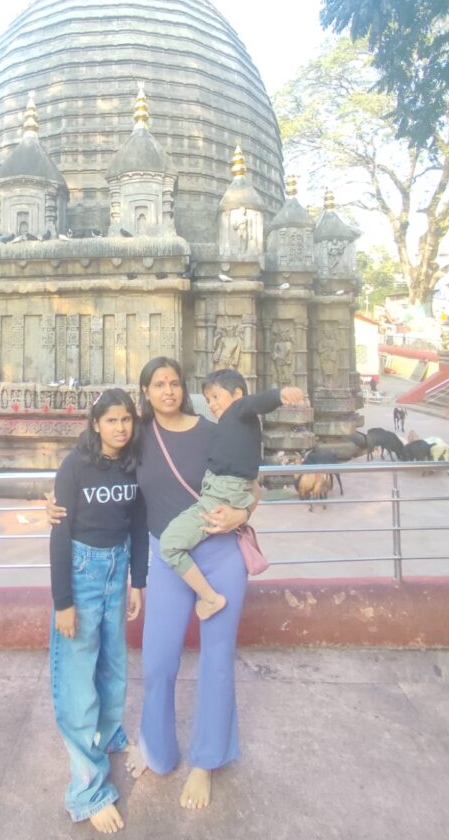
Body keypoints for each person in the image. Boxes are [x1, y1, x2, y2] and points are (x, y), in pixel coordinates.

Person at [46, 357, 259, 812]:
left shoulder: (213, 431)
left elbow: (250, 483)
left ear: (184, 388)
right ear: (146, 391)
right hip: (167, 557)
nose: (168, 391)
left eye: (175, 383)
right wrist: (54, 503)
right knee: (159, 660)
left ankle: (207, 760)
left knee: (217, 660)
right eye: (159, 384)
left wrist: (242, 514)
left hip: (221, 555)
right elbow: (91, 464)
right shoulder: (138, 437)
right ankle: (158, 750)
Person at [49, 388, 148, 835]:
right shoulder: (75, 466)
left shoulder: (133, 462)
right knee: (77, 682)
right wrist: (63, 603)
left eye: (126, 419)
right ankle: (87, 790)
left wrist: (138, 582)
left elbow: (140, 525)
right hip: (83, 573)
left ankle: (107, 736)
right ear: (95, 424)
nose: (120, 428)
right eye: (111, 420)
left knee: (113, 669)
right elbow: (59, 533)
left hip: (118, 569)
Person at [158, 368, 303, 620]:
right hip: (224, 490)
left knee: (169, 544)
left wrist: (280, 395)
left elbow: (255, 402)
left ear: (236, 394)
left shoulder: (238, 410)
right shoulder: (235, 424)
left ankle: (210, 598)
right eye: (209, 399)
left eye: (216, 397)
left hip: (222, 494)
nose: (212, 405)